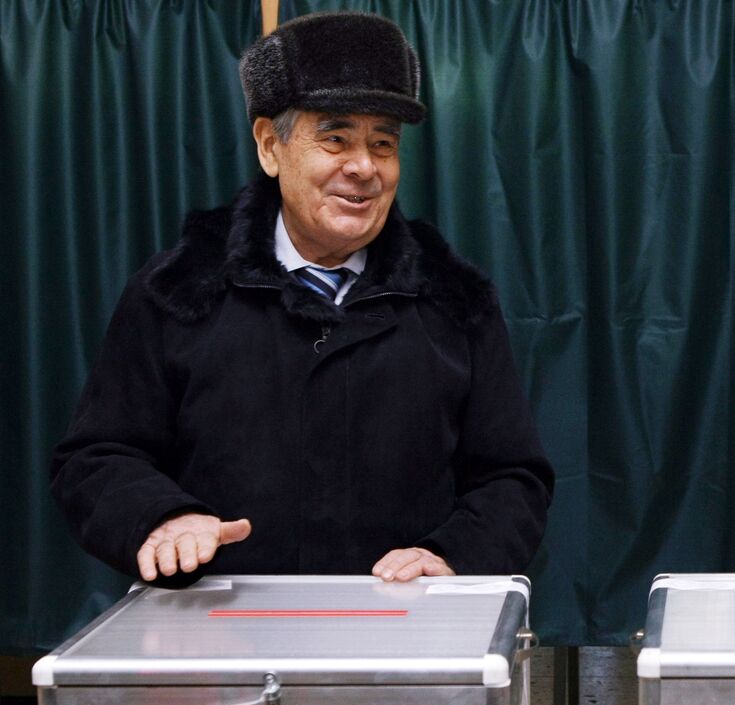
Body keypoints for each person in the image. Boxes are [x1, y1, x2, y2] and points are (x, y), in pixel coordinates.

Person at [51, 12, 553, 585]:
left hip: (406, 639)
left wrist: (453, 555)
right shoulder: (176, 292)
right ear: (270, 146)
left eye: (383, 143)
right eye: (335, 138)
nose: (363, 167)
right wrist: (163, 517)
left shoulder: (454, 302)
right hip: (216, 640)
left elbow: (513, 477)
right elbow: (96, 459)